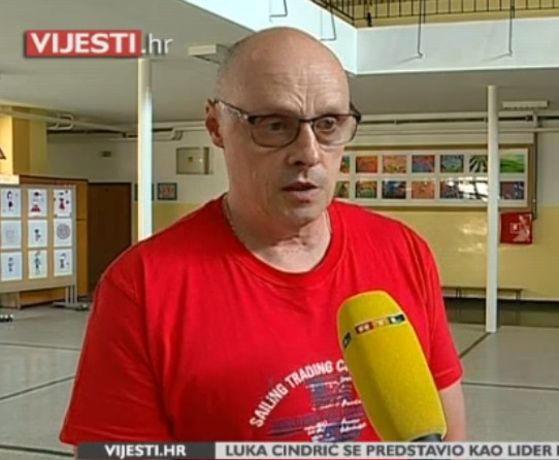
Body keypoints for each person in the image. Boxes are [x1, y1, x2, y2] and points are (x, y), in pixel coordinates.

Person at [60, 27, 465, 449]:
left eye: (328, 124)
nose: (309, 153)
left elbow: (449, 429)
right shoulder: (140, 287)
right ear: (216, 126)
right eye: (274, 125)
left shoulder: (403, 250)